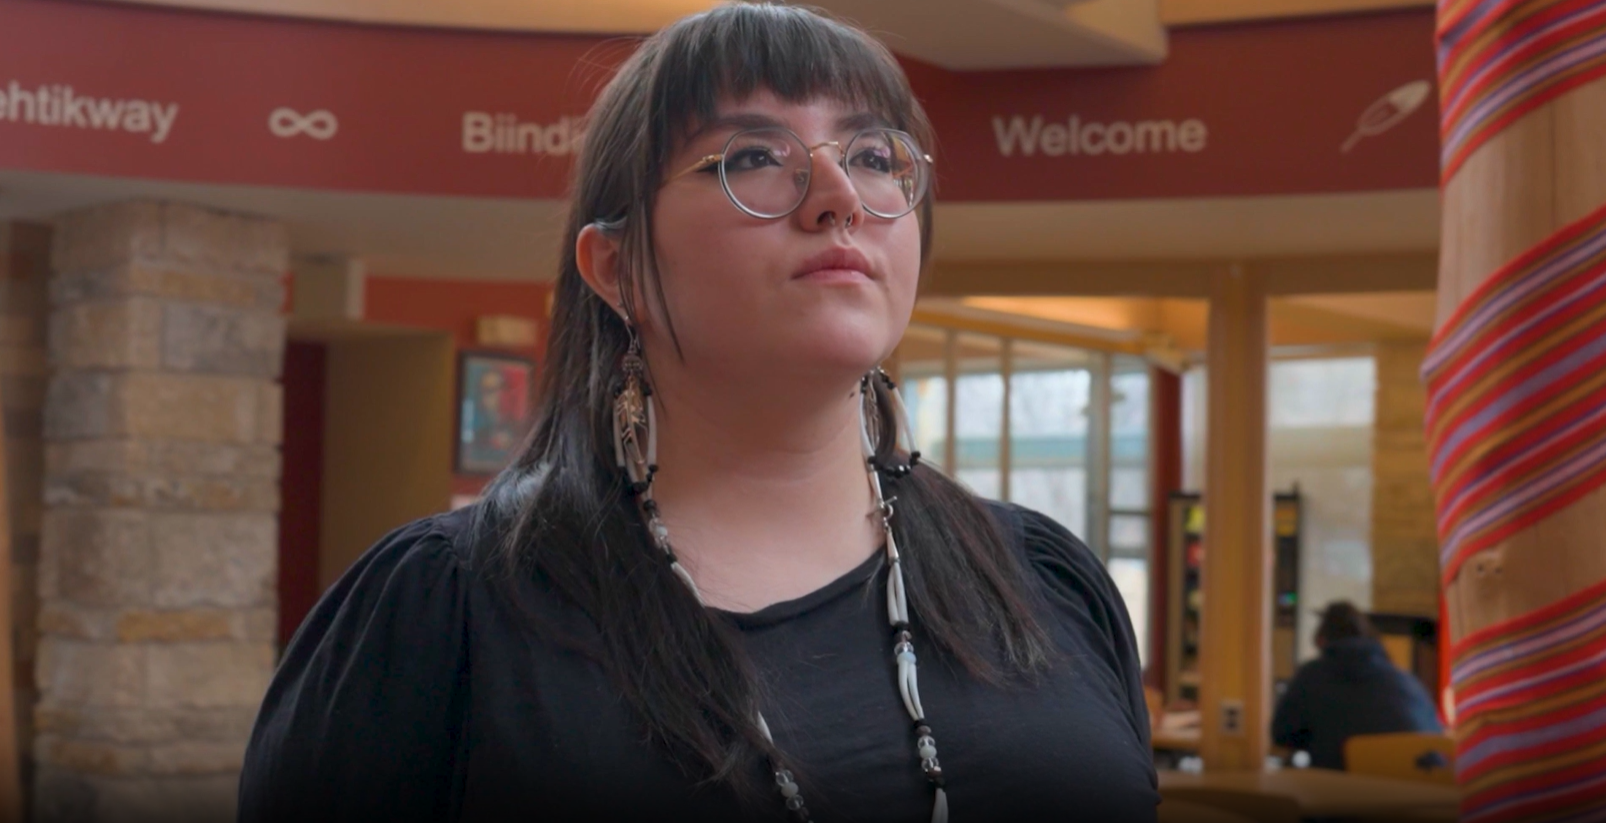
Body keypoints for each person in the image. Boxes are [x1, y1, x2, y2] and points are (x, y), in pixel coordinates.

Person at [238, 4, 1157, 822]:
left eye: (875, 156)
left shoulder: (1046, 582)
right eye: (755, 157)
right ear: (617, 269)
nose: (840, 198)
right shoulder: (445, 611)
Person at [1271, 601, 1443, 771]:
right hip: (1420, 792)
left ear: (1321, 641)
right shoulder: (1406, 681)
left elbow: (1282, 735)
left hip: (1345, 792)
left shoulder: (1312, 675)